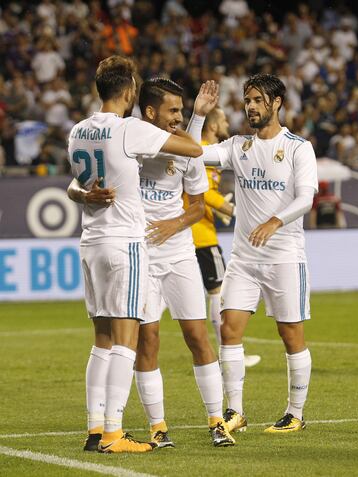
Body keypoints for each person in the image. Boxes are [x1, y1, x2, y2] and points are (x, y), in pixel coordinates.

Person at [68, 78, 235, 448]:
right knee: (148, 340)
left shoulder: (182, 152)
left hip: (177, 253)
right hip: (137, 252)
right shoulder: (129, 140)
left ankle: (215, 419)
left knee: (197, 335)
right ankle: (157, 426)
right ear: (148, 112)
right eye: (173, 110)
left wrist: (173, 224)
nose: (177, 117)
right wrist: (84, 194)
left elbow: (195, 206)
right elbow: (76, 182)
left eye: (180, 110)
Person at [199, 73, 318, 434]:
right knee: (229, 329)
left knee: (290, 334)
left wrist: (275, 221)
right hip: (245, 259)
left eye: (256, 100)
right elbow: (194, 154)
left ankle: (295, 412)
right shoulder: (239, 147)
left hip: (284, 255)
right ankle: (235, 411)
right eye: (247, 100)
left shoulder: (299, 147)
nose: (250, 106)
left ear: (276, 103)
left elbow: (306, 198)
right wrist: (197, 117)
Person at [185, 106, 261, 368]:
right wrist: (230, 209)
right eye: (224, 119)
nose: (228, 122)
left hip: (194, 230)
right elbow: (203, 192)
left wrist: (219, 211)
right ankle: (226, 352)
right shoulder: (204, 150)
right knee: (218, 291)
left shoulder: (203, 150)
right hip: (201, 235)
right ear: (214, 125)